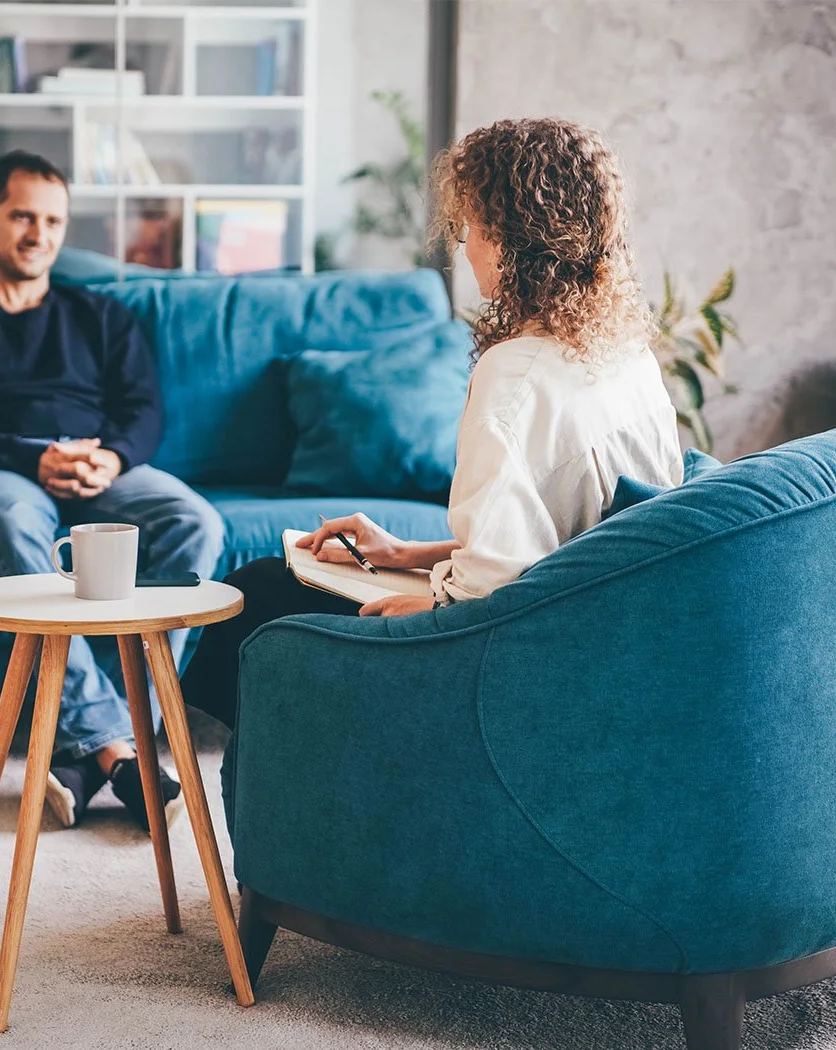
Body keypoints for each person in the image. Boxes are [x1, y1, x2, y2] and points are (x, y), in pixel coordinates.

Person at [181, 117, 684, 729]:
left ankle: (265, 780)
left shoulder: (515, 375)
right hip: (591, 633)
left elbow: (484, 598)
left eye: (471, 226)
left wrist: (417, 599)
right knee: (267, 581)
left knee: (254, 596)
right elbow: (554, 543)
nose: (466, 248)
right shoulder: (626, 355)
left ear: (508, 237)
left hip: (500, 656)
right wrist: (403, 552)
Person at [0, 150, 225, 831]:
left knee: (195, 522)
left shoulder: (101, 316)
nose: (38, 233)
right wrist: (34, 457)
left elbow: (145, 410)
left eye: (53, 220)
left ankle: (82, 754)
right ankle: (118, 747)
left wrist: (112, 457)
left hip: (102, 468)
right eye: (22, 215)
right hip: (7, 471)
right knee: (13, 524)